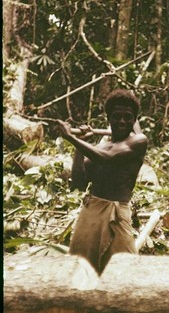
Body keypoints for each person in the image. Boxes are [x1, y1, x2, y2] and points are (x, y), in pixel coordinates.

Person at [57, 89, 148, 275]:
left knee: (126, 270)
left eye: (127, 117)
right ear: (109, 118)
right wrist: (79, 147)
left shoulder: (138, 141)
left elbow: (107, 158)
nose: (122, 121)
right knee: (82, 269)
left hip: (117, 213)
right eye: (116, 116)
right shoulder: (101, 145)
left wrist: (71, 138)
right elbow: (79, 183)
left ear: (134, 120)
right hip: (90, 211)